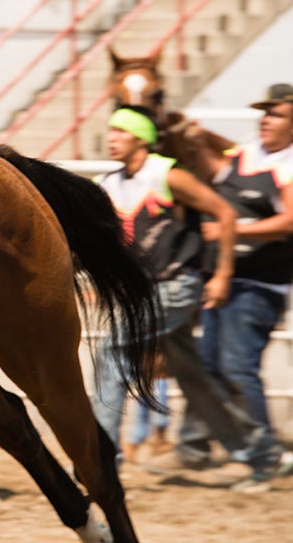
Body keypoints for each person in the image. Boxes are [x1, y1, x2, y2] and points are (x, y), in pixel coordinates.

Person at [92, 106, 278, 488]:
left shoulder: (166, 174)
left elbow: (224, 213)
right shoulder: (109, 183)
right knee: (194, 378)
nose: (111, 138)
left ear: (141, 138)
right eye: (110, 132)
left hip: (176, 287)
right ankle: (259, 453)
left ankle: (101, 460)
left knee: (111, 352)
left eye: (120, 132)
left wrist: (223, 273)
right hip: (146, 291)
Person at [174, 84, 293, 489]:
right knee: (208, 366)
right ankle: (248, 449)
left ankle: (266, 456)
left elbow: (289, 222)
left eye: (275, 114)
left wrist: (229, 228)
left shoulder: (290, 165)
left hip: (260, 284)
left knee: (238, 368)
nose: (265, 119)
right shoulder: (244, 153)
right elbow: (208, 164)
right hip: (224, 281)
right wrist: (190, 135)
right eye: (264, 112)